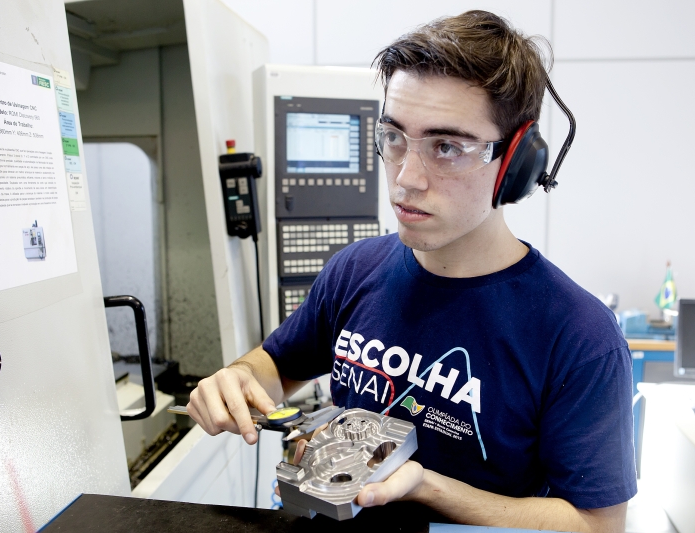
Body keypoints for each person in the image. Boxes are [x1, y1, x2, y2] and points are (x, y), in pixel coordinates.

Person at [188, 10, 636, 532]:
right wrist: (238, 378)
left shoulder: (578, 336)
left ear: (516, 164)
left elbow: (598, 524)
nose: (406, 178)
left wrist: (427, 486)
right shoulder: (354, 269)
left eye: (447, 147)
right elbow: (277, 365)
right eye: (394, 137)